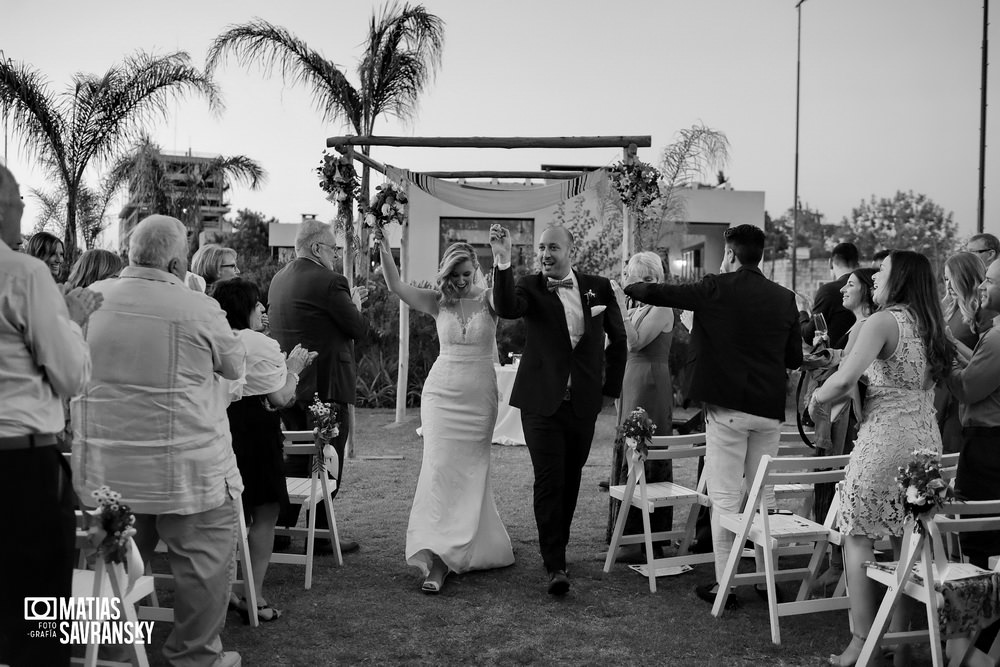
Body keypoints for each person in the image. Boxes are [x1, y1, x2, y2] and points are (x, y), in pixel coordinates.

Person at [72, 214, 246, 667]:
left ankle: (109, 654)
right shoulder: (197, 306)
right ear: (175, 261)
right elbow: (234, 367)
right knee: (203, 566)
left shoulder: (87, 301)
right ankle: (194, 656)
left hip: (107, 472)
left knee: (109, 562)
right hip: (186, 470)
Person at [624, 224, 802, 607]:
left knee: (724, 499)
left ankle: (726, 586)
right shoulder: (785, 298)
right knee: (762, 496)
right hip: (769, 413)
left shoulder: (715, 287)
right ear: (761, 256)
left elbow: (662, 291)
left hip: (727, 410)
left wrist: (629, 286)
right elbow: (793, 359)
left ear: (731, 255)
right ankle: (763, 580)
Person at [810, 250, 954, 667]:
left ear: (901, 279)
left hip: (884, 443)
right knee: (905, 542)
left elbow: (844, 379)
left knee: (857, 535)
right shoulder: (932, 324)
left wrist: (815, 402)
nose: (874, 280)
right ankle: (900, 642)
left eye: (882, 273)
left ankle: (861, 643)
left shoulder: (881, 321)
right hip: (925, 442)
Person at [490, 223, 627, 595]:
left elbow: (618, 341)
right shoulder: (531, 286)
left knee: (570, 479)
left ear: (570, 249)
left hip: (583, 403)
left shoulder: (599, 286)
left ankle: (559, 548)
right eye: (541, 249)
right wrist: (503, 261)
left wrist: (609, 392)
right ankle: (555, 564)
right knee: (550, 480)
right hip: (540, 403)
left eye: (553, 247)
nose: (546, 254)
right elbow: (506, 308)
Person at [0, 165, 101, 667]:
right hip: (18, 467)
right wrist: (74, 321)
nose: (21, 208)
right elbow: (70, 378)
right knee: (37, 624)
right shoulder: (22, 273)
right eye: (17, 199)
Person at [377, 230, 514, 594]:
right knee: (438, 469)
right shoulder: (438, 302)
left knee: (472, 471)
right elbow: (396, 286)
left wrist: (503, 257)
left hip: (479, 397)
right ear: (445, 273)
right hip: (441, 395)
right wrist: (381, 243)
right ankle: (438, 560)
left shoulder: (490, 300)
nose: (461, 280)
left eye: (466, 273)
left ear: (476, 270)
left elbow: (509, 297)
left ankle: (466, 546)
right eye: (454, 274)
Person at [212, 278, 316, 622]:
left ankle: (223, 591)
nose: (263, 309)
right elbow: (281, 398)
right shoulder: (262, 343)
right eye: (258, 303)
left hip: (220, 427)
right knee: (265, 514)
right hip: (256, 430)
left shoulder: (214, 338)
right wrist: (294, 369)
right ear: (245, 307)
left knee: (230, 514)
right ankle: (252, 595)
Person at [268, 218, 367, 554]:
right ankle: (319, 535)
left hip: (290, 385)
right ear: (316, 248)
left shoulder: (278, 280)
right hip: (326, 386)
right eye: (333, 249)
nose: (336, 256)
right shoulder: (330, 282)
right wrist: (354, 304)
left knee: (295, 459)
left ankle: (282, 532)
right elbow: (357, 328)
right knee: (329, 458)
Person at [607, 251, 675, 561]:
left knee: (645, 451)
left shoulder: (661, 308)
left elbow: (634, 343)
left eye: (651, 279)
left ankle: (647, 538)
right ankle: (624, 534)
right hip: (630, 381)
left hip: (650, 383)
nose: (646, 284)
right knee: (627, 450)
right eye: (640, 279)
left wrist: (620, 308)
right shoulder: (637, 309)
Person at [937, 252, 994, 454]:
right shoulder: (949, 309)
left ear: (968, 278)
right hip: (943, 392)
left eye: (954, 280)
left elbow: (984, 363)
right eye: (945, 280)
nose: (949, 286)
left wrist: (950, 341)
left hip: (964, 397)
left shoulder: (983, 313)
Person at [801, 242, 860, 349]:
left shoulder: (828, 291)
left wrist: (802, 311)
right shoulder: (868, 287)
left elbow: (810, 336)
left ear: (830, 263)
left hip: (836, 359)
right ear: (858, 264)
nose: (844, 290)